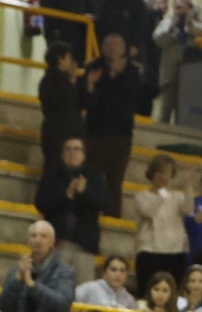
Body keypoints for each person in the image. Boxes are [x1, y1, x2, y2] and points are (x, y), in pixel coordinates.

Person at [34, 135, 110, 285]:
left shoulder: (95, 177)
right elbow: (41, 203)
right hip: (57, 243)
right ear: (62, 154)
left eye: (77, 149)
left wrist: (84, 192)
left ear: (84, 154)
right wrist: (67, 195)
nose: (72, 152)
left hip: (85, 245)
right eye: (68, 149)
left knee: (83, 290)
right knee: (52, 286)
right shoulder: (52, 175)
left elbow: (103, 203)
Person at [82, 32, 143, 218]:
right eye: (107, 44)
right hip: (95, 132)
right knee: (90, 177)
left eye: (116, 44)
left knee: (115, 181)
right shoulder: (94, 67)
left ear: (124, 49)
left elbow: (137, 99)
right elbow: (87, 99)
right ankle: (88, 214)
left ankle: (112, 217)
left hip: (120, 134)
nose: (112, 48)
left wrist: (119, 74)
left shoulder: (132, 70)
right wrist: (91, 85)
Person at [134, 153, 190, 297]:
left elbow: (188, 209)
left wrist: (188, 186)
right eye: (161, 172)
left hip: (175, 252)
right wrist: (163, 193)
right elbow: (148, 212)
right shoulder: (141, 196)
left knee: (172, 294)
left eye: (168, 173)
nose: (164, 176)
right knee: (146, 292)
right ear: (152, 173)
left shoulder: (177, 197)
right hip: (150, 251)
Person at [153, 0, 202, 123]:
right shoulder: (168, 21)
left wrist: (189, 22)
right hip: (170, 74)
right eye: (177, 7)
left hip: (192, 77)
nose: (179, 9)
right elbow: (158, 39)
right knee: (165, 114)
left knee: (186, 116)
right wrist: (172, 27)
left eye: (182, 5)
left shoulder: (197, 21)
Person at [72, 255, 140, 312]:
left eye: (122, 271)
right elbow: (69, 301)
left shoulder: (129, 300)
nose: (118, 274)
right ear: (104, 273)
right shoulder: (90, 288)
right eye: (113, 269)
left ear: (127, 275)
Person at [38, 41, 82, 171]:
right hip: (58, 133)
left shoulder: (49, 79)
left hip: (58, 131)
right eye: (68, 57)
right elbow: (65, 103)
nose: (71, 61)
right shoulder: (54, 81)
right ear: (60, 59)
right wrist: (72, 82)